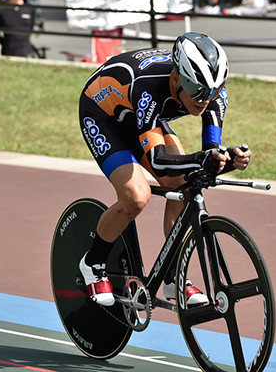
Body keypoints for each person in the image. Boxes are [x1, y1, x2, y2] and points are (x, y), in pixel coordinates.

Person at [78, 32, 252, 307]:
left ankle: (172, 278)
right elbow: (159, 161)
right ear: (176, 78)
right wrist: (202, 160)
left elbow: (208, 157)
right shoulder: (150, 87)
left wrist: (228, 160)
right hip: (104, 117)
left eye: (214, 92)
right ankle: (93, 263)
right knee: (136, 196)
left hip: (144, 117)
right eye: (197, 91)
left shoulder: (212, 92)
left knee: (184, 184)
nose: (205, 99)